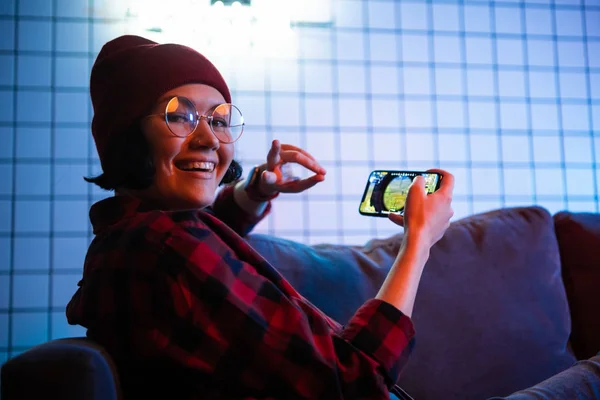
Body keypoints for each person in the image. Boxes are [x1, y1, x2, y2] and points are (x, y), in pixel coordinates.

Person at [66, 35, 455, 400]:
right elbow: (351, 381)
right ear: (128, 135)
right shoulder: (164, 244)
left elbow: (207, 244)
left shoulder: (133, 239)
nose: (208, 140)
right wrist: (417, 243)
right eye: (180, 116)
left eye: (218, 121)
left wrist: (257, 190)